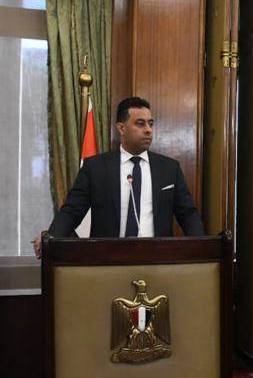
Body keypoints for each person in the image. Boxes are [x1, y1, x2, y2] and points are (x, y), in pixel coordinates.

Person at [34, 97, 203, 258]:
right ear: (121, 128)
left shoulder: (169, 168)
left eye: (150, 124)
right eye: (140, 123)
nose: (148, 130)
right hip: (108, 260)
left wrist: (202, 246)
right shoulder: (95, 168)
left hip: (157, 258)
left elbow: (187, 213)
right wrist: (51, 237)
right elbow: (72, 211)